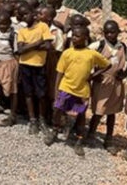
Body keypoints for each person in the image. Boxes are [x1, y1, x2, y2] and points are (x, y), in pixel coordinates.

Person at [44, 27, 111, 156]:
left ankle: (79, 140)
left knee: (80, 115)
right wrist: (56, 90)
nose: (74, 38)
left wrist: (94, 75)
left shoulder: (91, 54)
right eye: (73, 35)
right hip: (66, 87)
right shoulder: (67, 53)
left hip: (82, 91)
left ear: (85, 38)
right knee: (58, 110)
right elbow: (59, 73)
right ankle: (55, 131)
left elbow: (107, 64)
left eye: (77, 36)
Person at [87, 20, 127, 154]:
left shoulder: (123, 47)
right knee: (98, 110)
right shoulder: (99, 45)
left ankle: (109, 139)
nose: (110, 35)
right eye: (106, 32)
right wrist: (93, 74)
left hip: (116, 82)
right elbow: (86, 56)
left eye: (112, 32)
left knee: (112, 112)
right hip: (101, 82)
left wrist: (125, 73)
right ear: (103, 33)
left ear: (118, 32)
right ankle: (91, 133)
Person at [16, 4, 53, 134]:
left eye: (26, 14)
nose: (24, 17)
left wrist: (27, 47)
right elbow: (20, 50)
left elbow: (48, 45)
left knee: (41, 94)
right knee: (28, 93)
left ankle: (42, 119)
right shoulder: (22, 31)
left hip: (39, 65)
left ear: (34, 14)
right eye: (22, 15)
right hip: (25, 65)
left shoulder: (43, 26)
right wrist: (37, 43)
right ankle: (33, 119)